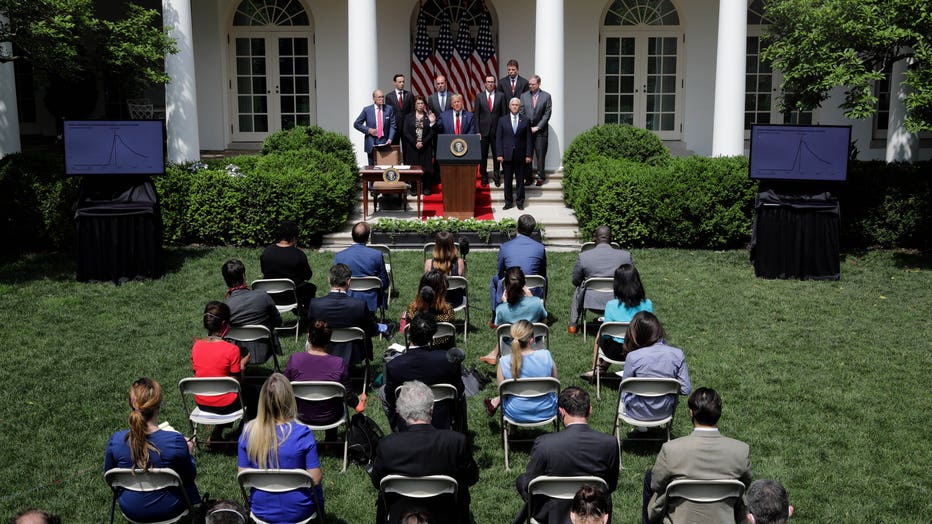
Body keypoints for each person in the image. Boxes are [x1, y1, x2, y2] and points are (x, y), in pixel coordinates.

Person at [370, 380, 479, 524]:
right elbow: (472, 477)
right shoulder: (455, 442)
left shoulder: (387, 445)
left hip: (401, 514)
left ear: (402, 414)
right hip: (446, 514)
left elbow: (377, 482)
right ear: (432, 409)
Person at [643, 387, 752, 524]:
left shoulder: (671, 450)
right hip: (724, 518)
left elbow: (656, 484)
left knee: (649, 476)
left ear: (691, 413)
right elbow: (745, 484)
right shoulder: (740, 451)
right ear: (719, 413)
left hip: (680, 519)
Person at [513, 387, 619, 524]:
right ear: (590, 410)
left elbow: (529, 485)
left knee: (522, 480)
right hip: (592, 512)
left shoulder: (545, 444)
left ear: (561, 411)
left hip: (551, 515)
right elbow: (611, 485)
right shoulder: (609, 443)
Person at [104, 378, 201, 522]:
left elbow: (109, 476)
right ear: (158, 405)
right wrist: (189, 453)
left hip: (131, 509)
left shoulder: (116, 441)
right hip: (169, 509)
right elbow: (189, 475)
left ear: (132, 404)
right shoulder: (175, 441)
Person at [238, 374, 323, 524]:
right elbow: (315, 479)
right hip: (299, 510)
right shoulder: (303, 433)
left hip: (261, 510)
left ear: (262, 400)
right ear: (289, 399)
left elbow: (243, 477)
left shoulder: (247, 432)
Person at [382, 313, 465, 432]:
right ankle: (460, 429)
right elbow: (459, 390)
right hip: (442, 416)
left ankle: (397, 430)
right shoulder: (448, 361)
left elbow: (391, 398)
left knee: (382, 392)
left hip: (408, 419)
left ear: (409, 332)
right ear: (432, 335)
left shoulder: (394, 366)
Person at [284, 320, 360, 436]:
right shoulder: (338, 363)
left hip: (300, 414)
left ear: (308, 336)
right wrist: (358, 402)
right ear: (329, 340)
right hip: (331, 416)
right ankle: (330, 440)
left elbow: (283, 387)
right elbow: (348, 395)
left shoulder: (295, 359)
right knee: (334, 400)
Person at [582, 263, 652, 381]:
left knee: (601, 333)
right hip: (640, 349)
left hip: (615, 352)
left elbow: (607, 336)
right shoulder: (648, 304)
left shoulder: (611, 305)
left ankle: (595, 368)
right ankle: (602, 368)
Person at [191, 301, 248, 444]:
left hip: (202, 402)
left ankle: (217, 433)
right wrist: (242, 365)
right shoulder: (232, 350)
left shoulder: (196, 346)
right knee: (255, 394)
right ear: (224, 324)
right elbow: (236, 384)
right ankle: (243, 434)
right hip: (226, 404)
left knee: (223, 394)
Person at [620, 312, 690, 422]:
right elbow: (685, 389)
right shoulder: (678, 354)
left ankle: (640, 429)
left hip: (636, 412)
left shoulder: (632, 357)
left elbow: (624, 390)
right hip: (665, 411)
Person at [306, 263, 380, 366]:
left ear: (329, 280)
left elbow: (310, 329)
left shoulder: (315, 304)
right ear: (349, 281)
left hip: (323, 348)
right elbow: (371, 330)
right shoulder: (359, 305)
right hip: (354, 352)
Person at [484, 320, 557, 418]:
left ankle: (512, 431)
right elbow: (554, 383)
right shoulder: (546, 355)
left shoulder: (504, 362)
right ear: (532, 340)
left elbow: (502, 392)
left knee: (509, 396)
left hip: (515, 413)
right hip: (547, 409)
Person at [569, 225, 633, 334]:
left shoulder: (584, 257)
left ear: (595, 239)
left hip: (591, 302)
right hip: (618, 300)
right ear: (611, 239)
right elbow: (632, 280)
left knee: (579, 288)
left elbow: (575, 280)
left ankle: (573, 326)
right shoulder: (625, 256)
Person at [481, 267, 548, 365]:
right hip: (534, 345)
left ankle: (493, 354)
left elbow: (499, 330)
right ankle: (493, 354)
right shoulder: (537, 303)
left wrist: (505, 304)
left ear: (506, 287)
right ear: (524, 284)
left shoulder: (501, 309)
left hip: (510, 350)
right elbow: (545, 321)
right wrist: (531, 298)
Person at [222, 259, 282, 364]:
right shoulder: (263, 296)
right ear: (244, 276)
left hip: (239, 354)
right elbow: (278, 321)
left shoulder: (225, 307)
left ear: (226, 281)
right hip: (265, 350)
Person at [489, 214, 546, 314]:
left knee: (495, 280)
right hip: (533, 288)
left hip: (512, 285)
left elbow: (500, 272)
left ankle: (495, 314)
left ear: (517, 227)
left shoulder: (505, 247)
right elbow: (542, 273)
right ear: (532, 230)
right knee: (546, 278)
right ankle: (541, 306)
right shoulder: (540, 248)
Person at [333, 221, 390, 313]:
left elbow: (336, 283)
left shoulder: (339, 256)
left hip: (347, 298)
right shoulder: (376, 255)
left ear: (352, 236)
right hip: (371, 301)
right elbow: (384, 283)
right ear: (368, 238)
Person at [259, 220, 316, 308]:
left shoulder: (266, 252)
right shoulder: (298, 254)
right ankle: (305, 316)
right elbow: (307, 276)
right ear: (294, 238)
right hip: (292, 297)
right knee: (311, 288)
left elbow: (264, 271)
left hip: (270, 296)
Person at [495, 97, 533, 210]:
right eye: (513, 105)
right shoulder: (502, 120)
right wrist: (499, 154)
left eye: (517, 105)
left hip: (521, 156)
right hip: (506, 155)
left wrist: (528, 154)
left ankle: (520, 202)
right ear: (509, 106)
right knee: (507, 180)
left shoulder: (525, 120)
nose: (515, 106)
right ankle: (508, 202)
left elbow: (529, 139)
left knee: (520, 180)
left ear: (519, 107)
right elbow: (499, 138)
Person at [405, 270, 455, 350]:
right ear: (441, 291)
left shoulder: (412, 310)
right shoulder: (448, 312)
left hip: (419, 353)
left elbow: (408, 332)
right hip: (443, 352)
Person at [519, 75, 553, 185]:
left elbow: (547, 114)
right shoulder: (524, 96)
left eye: (533, 84)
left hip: (541, 132)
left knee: (540, 155)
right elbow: (522, 112)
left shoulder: (546, 96)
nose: (531, 86)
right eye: (530, 84)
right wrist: (528, 127)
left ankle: (540, 177)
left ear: (538, 84)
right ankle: (528, 178)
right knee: (527, 154)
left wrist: (537, 127)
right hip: (527, 131)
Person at [473, 74, 504, 186]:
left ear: (494, 83)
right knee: (483, 156)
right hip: (483, 132)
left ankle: (496, 177)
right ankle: (484, 177)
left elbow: (504, 115)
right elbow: (476, 115)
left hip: (497, 132)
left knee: (497, 156)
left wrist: (502, 131)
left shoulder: (501, 96)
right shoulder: (479, 97)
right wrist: (477, 131)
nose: (490, 84)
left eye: (492, 82)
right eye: (488, 82)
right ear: (485, 83)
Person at [402, 95, 436, 195]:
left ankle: (426, 187)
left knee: (426, 168)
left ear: (424, 105)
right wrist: (415, 142)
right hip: (412, 147)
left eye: (422, 103)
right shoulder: (409, 117)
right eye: (418, 103)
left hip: (425, 146)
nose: (420, 105)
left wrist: (423, 142)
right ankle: (414, 188)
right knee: (413, 167)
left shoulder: (428, 116)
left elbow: (432, 131)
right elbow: (406, 132)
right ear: (415, 105)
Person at [423, 230, 466, 307]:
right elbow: (463, 285)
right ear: (452, 245)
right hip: (456, 302)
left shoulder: (428, 263)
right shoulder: (460, 262)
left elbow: (426, 286)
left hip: (434, 303)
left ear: (436, 245)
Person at [354, 89, 396, 166]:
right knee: (372, 168)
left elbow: (393, 125)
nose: (382, 99)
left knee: (385, 167)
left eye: (382, 97)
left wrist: (390, 138)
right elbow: (357, 124)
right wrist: (368, 130)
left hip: (384, 142)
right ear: (374, 98)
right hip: (371, 143)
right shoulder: (367, 110)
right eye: (379, 97)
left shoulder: (389, 109)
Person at [386, 73, 413, 146]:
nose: (402, 84)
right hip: (395, 127)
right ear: (394, 83)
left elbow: (412, 111)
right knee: (394, 148)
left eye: (403, 81)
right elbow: (388, 113)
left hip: (407, 127)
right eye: (400, 82)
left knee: (407, 148)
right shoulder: (389, 96)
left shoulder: (409, 95)